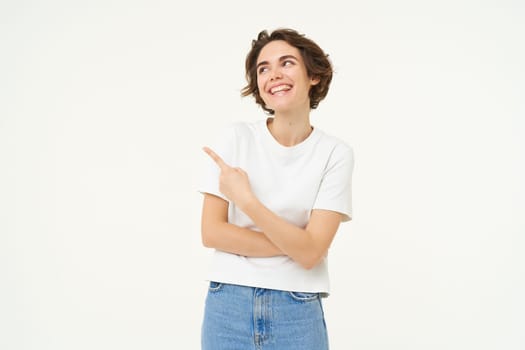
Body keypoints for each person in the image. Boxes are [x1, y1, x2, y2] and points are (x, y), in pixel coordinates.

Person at [198, 28, 354, 350]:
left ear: (313, 75)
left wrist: (246, 202)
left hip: (297, 307)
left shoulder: (335, 153)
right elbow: (212, 233)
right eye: (263, 69)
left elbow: (310, 254)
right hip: (228, 302)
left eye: (287, 63)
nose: (273, 75)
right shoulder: (235, 138)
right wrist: (299, 243)